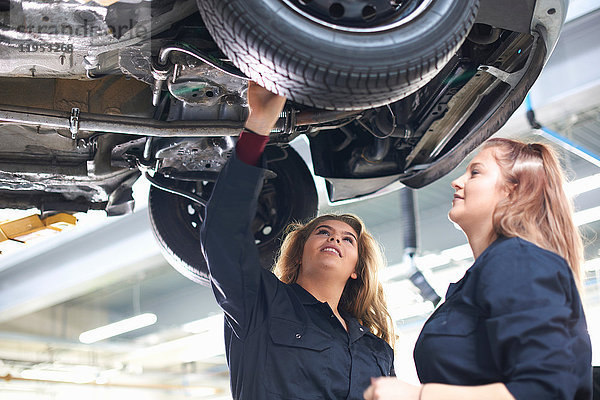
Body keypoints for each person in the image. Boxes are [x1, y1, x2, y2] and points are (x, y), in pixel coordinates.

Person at [200, 81, 395, 400]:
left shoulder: (377, 352)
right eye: (323, 232)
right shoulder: (262, 302)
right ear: (300, 254)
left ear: (356, 269)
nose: (335, 237)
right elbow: (223, 235)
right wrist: (258, 128)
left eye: (348, 239)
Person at [363, 138, 592, 400]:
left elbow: (544, 389)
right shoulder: (484, 275)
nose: (457, 181)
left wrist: (417, 396)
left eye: (475, 172)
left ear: (512, 191)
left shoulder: (518, 261)